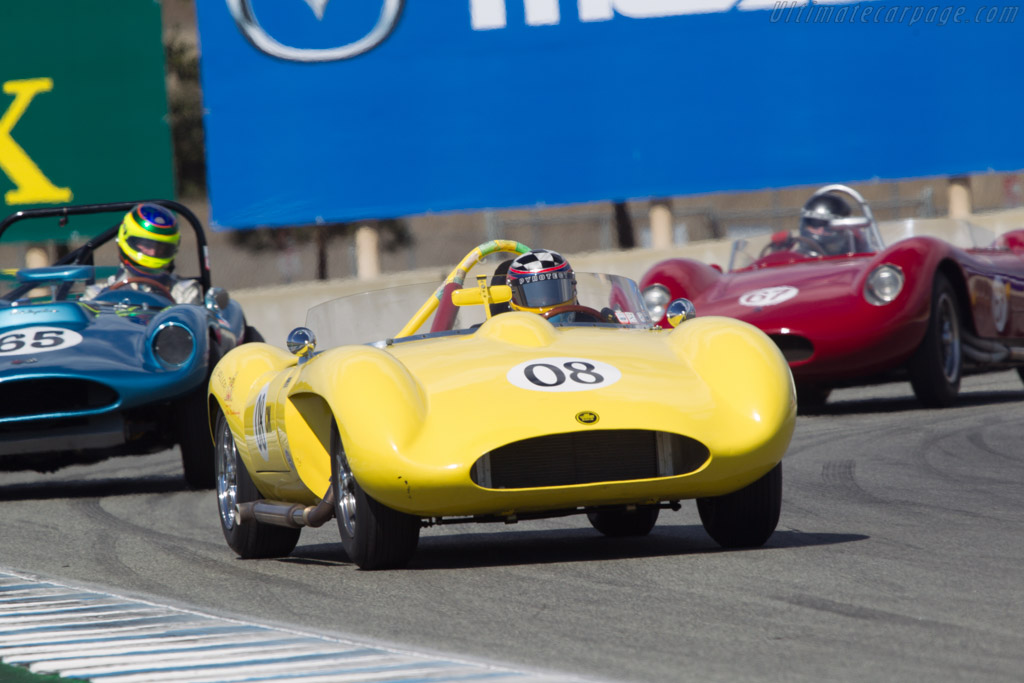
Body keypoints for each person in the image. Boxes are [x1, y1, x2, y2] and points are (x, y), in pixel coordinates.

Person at [83, 203, 201, 304]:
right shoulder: (97, 294)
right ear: (128, 239)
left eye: (161, 247)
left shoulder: (184, 293)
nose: (153, 252)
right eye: (147, 244)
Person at [797, 192, 860, 256]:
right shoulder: (794, 260)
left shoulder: (854, 258)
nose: (820, 231)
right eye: (814, 224)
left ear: (842, 229)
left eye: (826, 225)